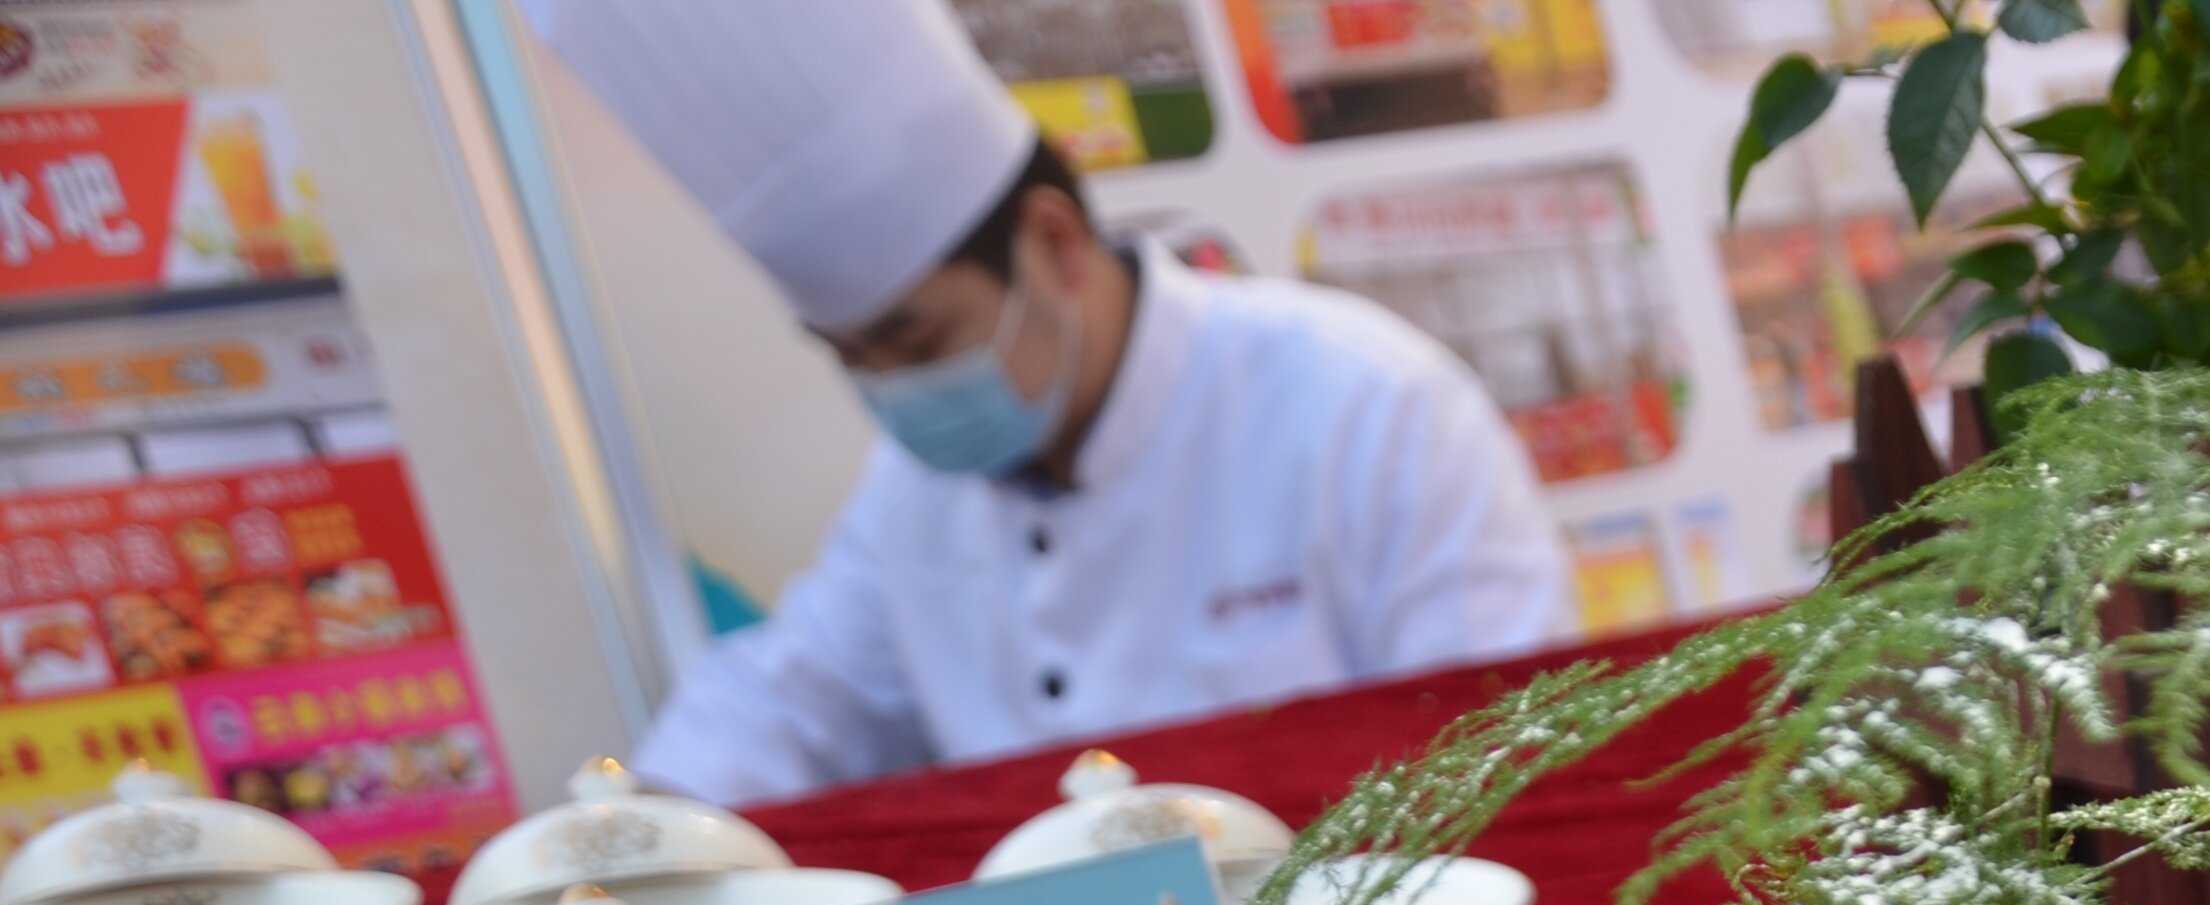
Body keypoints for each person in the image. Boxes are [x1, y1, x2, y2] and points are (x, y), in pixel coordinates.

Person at [530, 0, 1576, 808]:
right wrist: (635, 829)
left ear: (1056, 245)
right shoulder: (914, 496)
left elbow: (1508, 747)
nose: (892, 389)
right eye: (851, 358)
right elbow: (791, 698)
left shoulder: (1365, 407)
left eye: (915, 342)